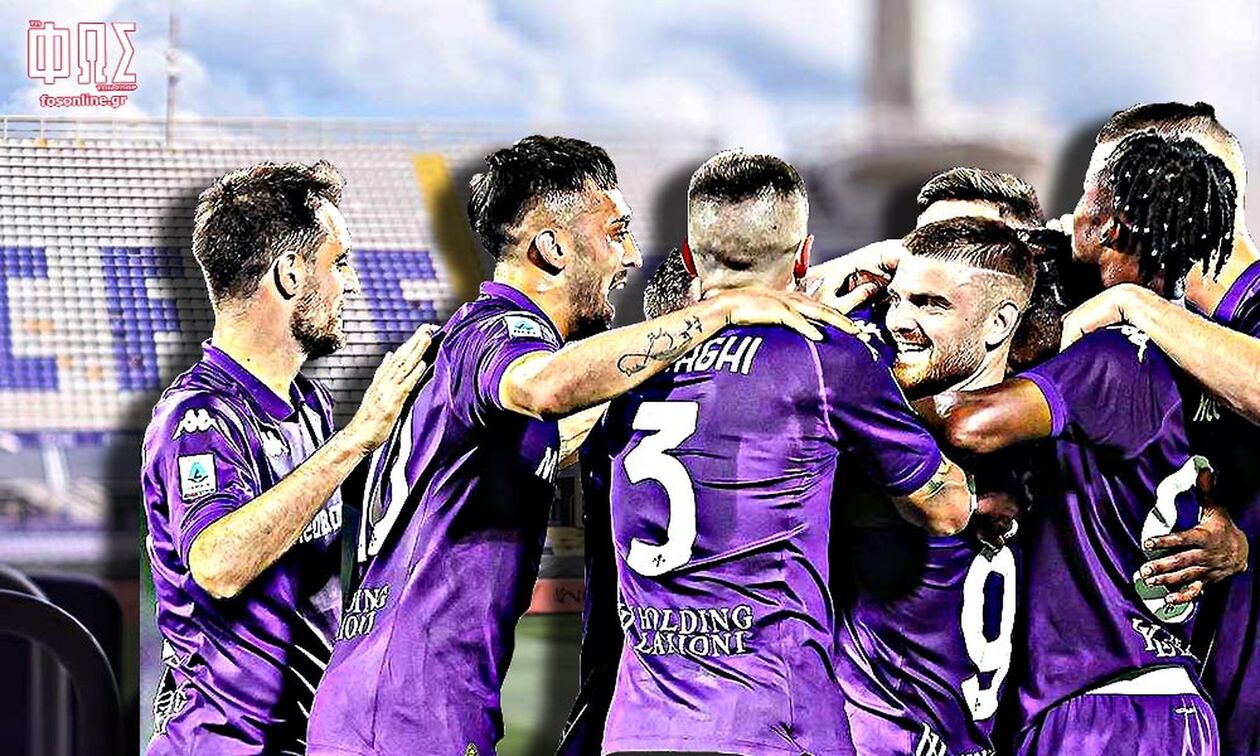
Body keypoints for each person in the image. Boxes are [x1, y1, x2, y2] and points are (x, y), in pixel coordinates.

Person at [304, 136, 853, 756]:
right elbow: (545, 387)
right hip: (408, 710)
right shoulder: (502, 333)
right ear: (553, 248)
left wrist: (808, 290)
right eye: (615, 232)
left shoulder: (472, 354)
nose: (630, 255)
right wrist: (723, 312)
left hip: (400, 696)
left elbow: (599, 407)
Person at [589, 150, 974, 755]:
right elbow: (945, 509)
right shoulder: (828, 357)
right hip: (770, 722)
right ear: (802, 255)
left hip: (640, 730)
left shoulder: (628, 368)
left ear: (688, 257)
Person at [918, 132, 1246, 755]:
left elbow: (970, 424)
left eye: (1088, 195)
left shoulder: (1114, 353)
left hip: (1103, 703)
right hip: (1167, 699)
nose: (1073, 211)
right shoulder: (1196, 353)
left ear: (1112, 223)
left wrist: (872, 386)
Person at [144, 161, 434, 754]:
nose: (351, 284)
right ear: (290, 273)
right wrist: (356, 439)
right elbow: (217, 564)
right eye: (339, 262)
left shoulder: (309, 405)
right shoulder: (198, 417)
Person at [1058, 103, 1259, 754]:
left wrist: (1133, 302)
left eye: (1105, 189)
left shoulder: (1169, 310)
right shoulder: (1147, 318)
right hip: (1187, 703)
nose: (1091, 215)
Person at [834, 217, 1037, 756]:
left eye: (930, 304)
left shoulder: (1062, 429)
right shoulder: (856, 419)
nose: (898, 320)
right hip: (891, 738)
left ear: (999, 324)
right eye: (895, 300)